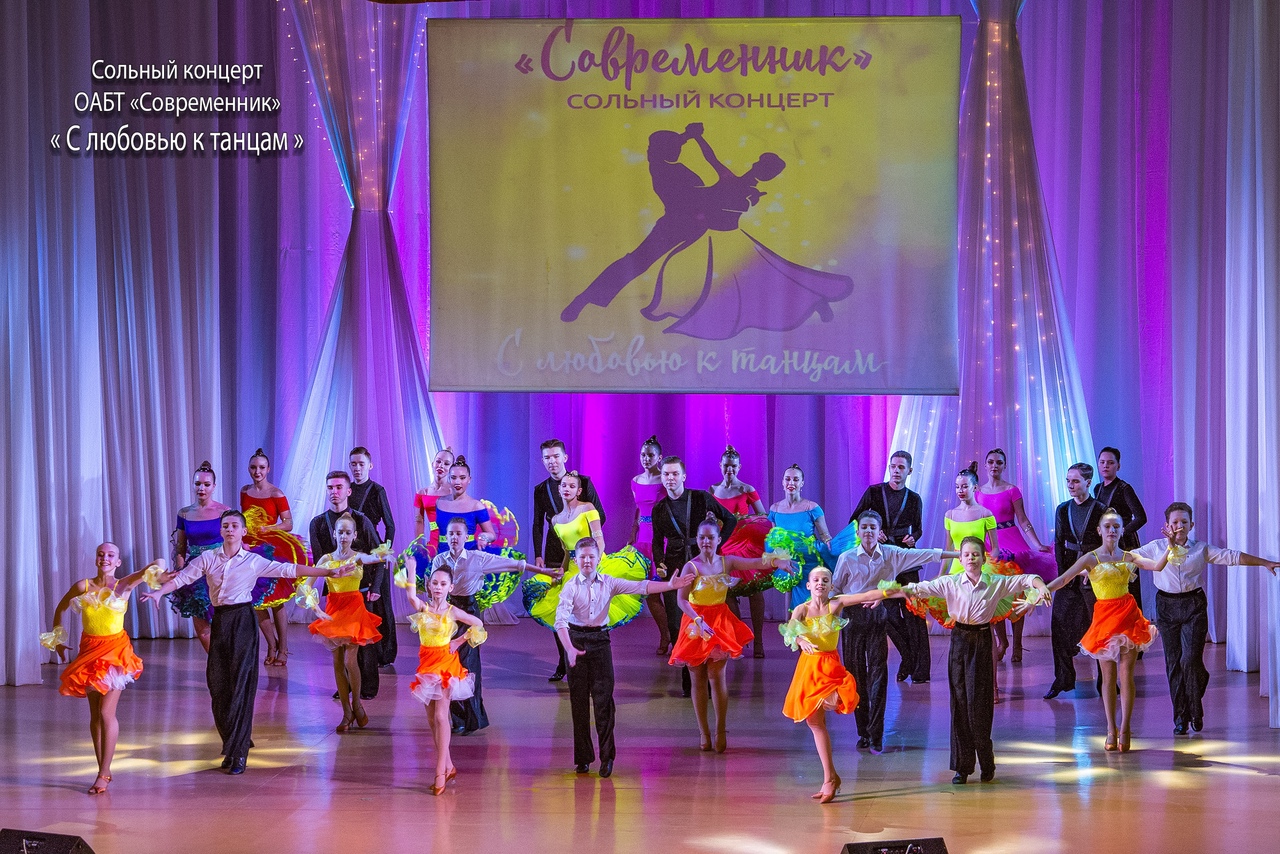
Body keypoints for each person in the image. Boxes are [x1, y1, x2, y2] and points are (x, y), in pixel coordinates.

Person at [142, 510, 352, 774]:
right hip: (221, 621)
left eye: (234, 526)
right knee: (218, 685)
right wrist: (159, 592)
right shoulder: (207, 558)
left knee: (242, 685)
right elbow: (183, 578)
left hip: (243, 621)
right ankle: (233, 741)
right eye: (225, 526)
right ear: (221, 531)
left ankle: (238, 752)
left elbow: (289, 569)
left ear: (243, 532)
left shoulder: (253, 561)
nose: (229, 529)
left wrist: (329, 572)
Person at [895, 537, 1050, 783]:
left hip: (982, 641)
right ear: (960, 558)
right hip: (959, 640)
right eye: (966, 554)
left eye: (975, 554)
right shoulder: (950, 582)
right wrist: (884, 592)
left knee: (980, 704)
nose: (971, 558)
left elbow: (1026, 579)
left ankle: (987, 762)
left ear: (983, 558)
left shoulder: (995, 583)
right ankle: (962, 766)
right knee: (959, 702)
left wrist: (1040, 587)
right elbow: (917, 588)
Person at [1130, 502, 1280, 734]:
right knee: (1174, 662)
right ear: (1167, 525)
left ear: (1191, 525)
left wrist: (1264, 562)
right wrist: (1091, 568)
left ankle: (1195, 707)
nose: (1179, 526)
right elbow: (1127, 557)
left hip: (1194, 605)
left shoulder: (1200, 548)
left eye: (1184, 522)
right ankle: (1181, 717)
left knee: (1190, 660)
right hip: (1167, 606)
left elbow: (1231, 556)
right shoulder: (1156, 547)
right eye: (1175, 522)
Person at [555, 537, 694, 778]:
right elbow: (560, 622)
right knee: (578, 703)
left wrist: (670, 585)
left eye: (591, 556)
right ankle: (583, 758)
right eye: (582, 557)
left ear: (598, 559)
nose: (587, 561)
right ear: (576, 560)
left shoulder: (609, 582)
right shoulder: (570, 587)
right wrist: (569, 648)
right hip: (575, 642)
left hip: (600, 642)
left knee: (604, 703)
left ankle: (607, 758)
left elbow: (641, 586)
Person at [831, 510, 957, 754]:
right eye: (864, 527)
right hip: (852, 619)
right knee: (855, 675)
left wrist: (959, 554)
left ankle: (876, 733)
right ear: (858, 531)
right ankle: (863, 732)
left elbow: (927, 554)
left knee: (878, 674)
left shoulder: (892, 553)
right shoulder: (847, 558)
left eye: (872, 528)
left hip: (878, 616)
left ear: (880, 532)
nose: (868, 532)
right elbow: (835, 590)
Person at [44, 543, 163, 794]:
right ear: (96, 559)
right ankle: (103, 768)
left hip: (115, 653)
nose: (105, 558)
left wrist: (159, 569)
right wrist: (58, 639)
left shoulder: (124, 585)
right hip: (89, 652)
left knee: (106, 712)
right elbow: (61, 607)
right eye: (101, 554)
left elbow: (156, 565)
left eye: (111, 555)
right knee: (96, 716)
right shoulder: (83, 586)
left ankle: (104, 773)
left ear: (118, 562)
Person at [1048, 510, 1169, 752]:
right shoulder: (1090, 558)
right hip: (1104, 619)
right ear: (1099, 530)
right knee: (1108, 678)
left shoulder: (1128, 556)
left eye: (1116, 526)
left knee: (1126, 677)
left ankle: (1125, 728)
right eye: (1107, 526)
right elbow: (1064, 579)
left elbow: (1156, 566)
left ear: (1122, 530)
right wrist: (1039, 591)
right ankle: (1110, 728)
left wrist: (1171, 547)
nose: (1112, 530)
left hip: (1128, 617)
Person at [669, 513, 788, 752]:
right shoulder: (691, 566)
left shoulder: (728, 562)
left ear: (718, 539)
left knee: (717, 676)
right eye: (702, 537)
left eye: (710, 537)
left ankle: (720, 729)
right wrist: (697, 620)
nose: (706, 542)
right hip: (695, 623)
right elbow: (682, 600)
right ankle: (703, 733)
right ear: (697, 539)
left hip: (719, 622)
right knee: (697, 679)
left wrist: (777, 562)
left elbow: (755, 563)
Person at [780, 567, 894, 803]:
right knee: (814, 722)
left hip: (829, 666)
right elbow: (789, 633)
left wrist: (891, 592)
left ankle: (830, 779)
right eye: (816, 579)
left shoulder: (835, 604)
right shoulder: (801, 609)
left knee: (834, 701)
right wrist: (800, 640)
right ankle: (830, 778)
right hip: (808, 669)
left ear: (831, 586)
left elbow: (864, 596)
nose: (820, 583)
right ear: (808, 585)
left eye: (825, 580)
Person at [427, 518, 544, 735]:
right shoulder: (440, 560)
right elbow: (434, 588)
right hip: (448, 613)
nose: (454, 538)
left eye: (458, 534)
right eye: (451, 534)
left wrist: (546, 572)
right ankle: (457, 718)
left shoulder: (477, 558)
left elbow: (514, 564)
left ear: (466, 536)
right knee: (447, 665)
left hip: (470, 613)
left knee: (468, 665)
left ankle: (473, 718)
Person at [652, 456, 737, 695]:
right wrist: (659, 562)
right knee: (677, 623)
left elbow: (729, 519)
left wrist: (716, 547)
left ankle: (708, 681)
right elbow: (657, 541)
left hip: (703, 566)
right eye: (666, 474)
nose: (670, 478)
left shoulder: (700, 497)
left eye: (674, 474)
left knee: (704, 621)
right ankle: (688, 682)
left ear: (683, 476)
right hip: (675, 567)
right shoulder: (659, 509)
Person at [404, 563, 487, 795]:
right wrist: (411, 569)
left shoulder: (453, 612)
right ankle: (449, 766)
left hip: (446, 664)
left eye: (443, 584)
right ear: (429, 586)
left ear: (450, 587)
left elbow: (478, 623)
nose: (438, 587)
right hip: (426, 664)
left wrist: (458, 641)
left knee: (441, 716)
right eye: (435, 583)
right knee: (432, 719)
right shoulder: (424, 608)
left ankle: (440, 771)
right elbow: (411, 596)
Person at [850, 450, 930, 682]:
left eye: (901, 467)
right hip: (881, 559)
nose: (896, 471)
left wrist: (913, 538)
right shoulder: (874, 492)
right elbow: (855, 519)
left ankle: (920, 671)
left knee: (914, 613)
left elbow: (918, 528)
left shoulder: (914, 498)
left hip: (905, 558)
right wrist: (874, 531)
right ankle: (908, 657)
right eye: (893, 466)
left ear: (909, 471)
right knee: (888, 613)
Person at [532, 439, 606, 681]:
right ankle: (564, 660)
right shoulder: (541, 489)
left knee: (586, 608)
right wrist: (538, 554)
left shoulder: (583, 482)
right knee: (559, 608)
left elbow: (600, 515)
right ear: (543, 461)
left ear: (564, 458)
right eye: (547, 458)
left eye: (556, 456)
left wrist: (585, 544)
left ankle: (587, 659)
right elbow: (537, 524)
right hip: (557, 554)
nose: (552, 461)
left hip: (584, 554)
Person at [307, 512, 388, 732]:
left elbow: (372, 558)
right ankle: (346, 713)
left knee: (350, 660)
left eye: (347, 532)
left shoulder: (358, 557)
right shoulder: (326, 559)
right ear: (334, 534)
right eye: (340, 532)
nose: (343, 536)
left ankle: (357, 704)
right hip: (333, 611)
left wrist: (382, 555)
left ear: (354, 535)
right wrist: (315, 608)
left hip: (354, 610)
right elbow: (305, 585)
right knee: (337, 663)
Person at [976, 448, 1056, 664]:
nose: (994, 465)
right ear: (985, 465)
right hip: (990, 546)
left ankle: (1017, 644)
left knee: (1016, 595)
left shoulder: (1012, 490)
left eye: (998, 462)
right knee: (994, 596)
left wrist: (1037, 545)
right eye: (991, 462)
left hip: (1013, 543)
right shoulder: (978, 492)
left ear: (1004, 466)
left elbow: (1023, 519)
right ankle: (1002, 642)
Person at [309, 471, 383, 700]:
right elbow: (319, 561)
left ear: (348, 491)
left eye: (339, 487)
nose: (334, 491)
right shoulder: (318, 522)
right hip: (335, 592)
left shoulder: (361, 519)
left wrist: (376, 587)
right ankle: (346, 689)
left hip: (360, 591)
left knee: (362, 646)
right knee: (339, 653)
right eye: (330, 487)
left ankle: (366, 689)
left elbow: (376, 553)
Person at [239, 449, 306, 667]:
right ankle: (271, 644)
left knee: (276, 601)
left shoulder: (276, 493)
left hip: (271, 549)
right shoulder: (245, 491)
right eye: (253, 467)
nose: (257, 471)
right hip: (249, 549)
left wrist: (269, 528)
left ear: (268, 469)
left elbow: (289, 523)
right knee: (255, 600)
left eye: (261, 467)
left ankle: (283, 648)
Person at [1045, 463, 1106, 700]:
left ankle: (1105, 682)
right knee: (1059, 625)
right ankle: (1062, 679)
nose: (1070, 485)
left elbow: (1107, 545)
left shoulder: (1101, 509)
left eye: (1076, 481)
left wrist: (1095, 571)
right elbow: (1059, 543)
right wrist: (1065, 575)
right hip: (1069, 578)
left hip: (1094, 578)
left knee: (1099, 628)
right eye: (1068, 481)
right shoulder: (1063, 510)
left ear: (1088, 483)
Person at [710, 444, 772, 658]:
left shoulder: (747, 489)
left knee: (754, 590)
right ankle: (740, 636)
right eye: (726, 466)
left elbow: (763, 516)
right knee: (727, 593)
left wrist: (744, 521)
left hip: (745, 547)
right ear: (720, 465)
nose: (729, 469)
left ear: (739, 467)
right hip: (723, 546)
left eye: (733, 466)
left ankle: (759, 641)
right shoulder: (712, 490)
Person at [169, 461, 229, 651]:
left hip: (220, 569)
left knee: (223, 620)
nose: (201, 488)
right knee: (201, 624)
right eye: (197, 484)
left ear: (214, 486)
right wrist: (180, 571)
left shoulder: (224, 511)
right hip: (195, 571)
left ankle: (228, 661)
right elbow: (181, 547)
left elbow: (233, 542)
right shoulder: (185, 513)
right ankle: (215, 662)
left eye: (206, 484)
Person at [348, 446, 398, 672]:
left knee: (380, 602)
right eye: (354, 464)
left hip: (374, 550)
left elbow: (390, 525)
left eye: (361, 464)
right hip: (353, 552)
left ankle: (384, 652)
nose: (357, 468)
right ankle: (361, 649)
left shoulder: (377, 490)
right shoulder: (347, 490)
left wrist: (385, 552)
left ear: (370, 466)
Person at [767, 463, 833, 608]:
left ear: (802, 483)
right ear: (782, 482)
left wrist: (830, 547)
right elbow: (775, 539)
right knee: (791, 603)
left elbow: (825, 535)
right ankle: (790, 623)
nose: (791, 483)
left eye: (796, 479)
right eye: (788, 479)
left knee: (808, 605)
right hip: (788, 561)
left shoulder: (812, 507)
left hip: (809, 560)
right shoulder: (775, 509)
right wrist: (779, 557)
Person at [628, 435, 670, 655]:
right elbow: (638, 510)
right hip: (642, 540)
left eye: (650, 455)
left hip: (661, 539)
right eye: (643, 454)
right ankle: (665, 635)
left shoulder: (665, 480)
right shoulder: (635, 481)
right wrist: (632, 533)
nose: (646, 458)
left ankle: (676, 635)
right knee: (650, 593)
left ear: (659, 457)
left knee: (669, 591)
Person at [1094, 447, 1148, 604]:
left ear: (1118, 466)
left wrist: (1121, 532)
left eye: (1110, 463)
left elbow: (1141, 517)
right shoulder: (1097, 488)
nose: (1105, 466)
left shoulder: (1125, 488)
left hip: (1125, 543)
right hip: (1106, 543)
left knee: (1128, 587)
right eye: (1102, 462)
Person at [413, 446, 456, 556]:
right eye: (438, 461)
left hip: (451, 542)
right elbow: (419, 521)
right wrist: (419, 546)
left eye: (446, 464)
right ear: (433, 464)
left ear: (451, 468)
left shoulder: (454, 492)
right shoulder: (422, 492)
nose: (441, 466)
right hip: (433, 543)